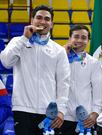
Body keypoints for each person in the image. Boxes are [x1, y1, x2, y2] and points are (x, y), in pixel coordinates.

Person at [0, 5, 70, 135]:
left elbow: (63, 83)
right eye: (38, 17)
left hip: (49, 112)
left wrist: (61, 110)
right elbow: (6, 62)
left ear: (52, 24)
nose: (42, 22)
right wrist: (24, 39)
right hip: (22, 109)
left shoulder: (58, 50)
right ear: (32, 21)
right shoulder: (18, 42)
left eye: (46, 19)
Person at [57, 25, 102, 135]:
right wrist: (62, 56)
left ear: (88, 41)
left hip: (85, 118)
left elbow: (99, 91)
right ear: (70, 38)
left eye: (83, 37)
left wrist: (95, 113)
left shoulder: (94, 63)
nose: (79, 40)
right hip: (61, 116)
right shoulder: (58, 59)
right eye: (76, 36)